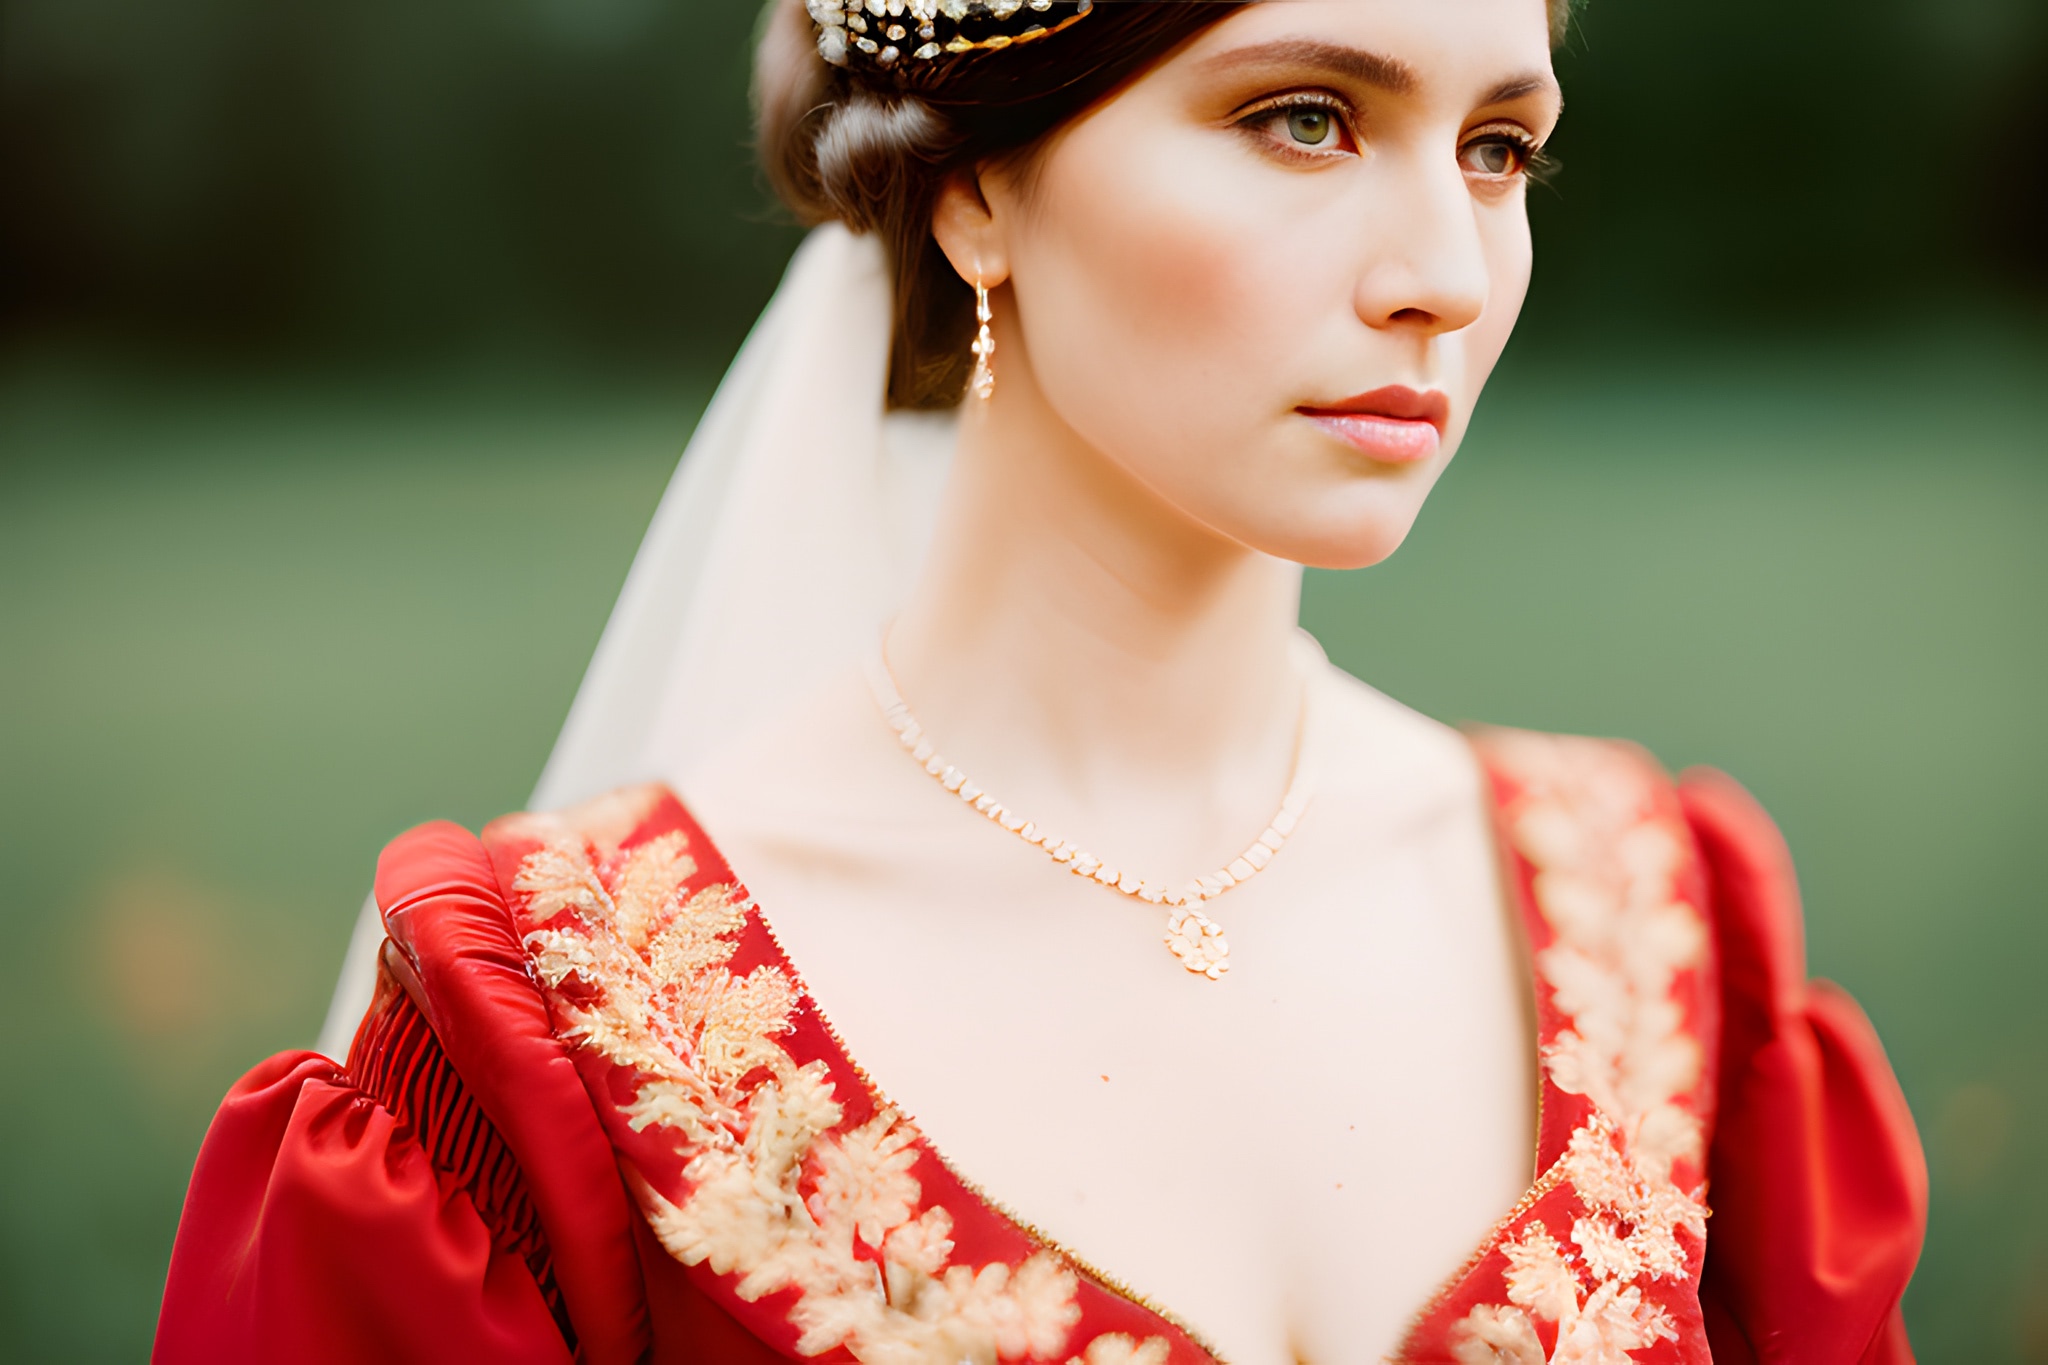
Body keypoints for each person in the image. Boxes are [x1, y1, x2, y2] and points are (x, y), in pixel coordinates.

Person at [154, 2, 1927, 1361]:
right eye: (1305, 119)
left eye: (1500, 149)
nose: (1446, 278)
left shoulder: (1670, 928)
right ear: (978, 186)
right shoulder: (549, 1033)